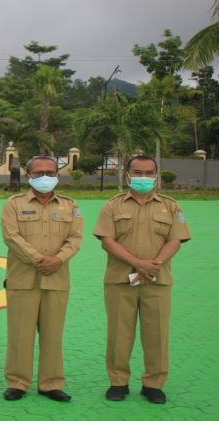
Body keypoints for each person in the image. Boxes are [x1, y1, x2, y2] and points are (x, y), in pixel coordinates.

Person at [93, 155, 190, 404]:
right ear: (127, 174)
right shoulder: (113, 206)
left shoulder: (170, 206)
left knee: (156, 334)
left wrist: (153, 265)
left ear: (156, 175)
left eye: (149, 173)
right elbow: (107, 241)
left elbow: (175, 239)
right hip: (120, 280)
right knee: (119, 333)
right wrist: (138, 263)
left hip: (157, 280)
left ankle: (153, 384)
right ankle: (118, 382)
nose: (143, 178)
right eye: (138, 172)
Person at [0, 156, 83, 402]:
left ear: (57, 175)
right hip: (23, 278)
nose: (45, 176)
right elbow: (11, 237)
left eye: (50, 172)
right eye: (39, 173)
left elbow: (75, 238)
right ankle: (17, 382)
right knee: (20, 334)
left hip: (57, 278)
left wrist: (58, 259)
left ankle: (51, 383)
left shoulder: (70, 206)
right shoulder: (13, 204)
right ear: (28, 176)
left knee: (53, 334)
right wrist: (39, 259)